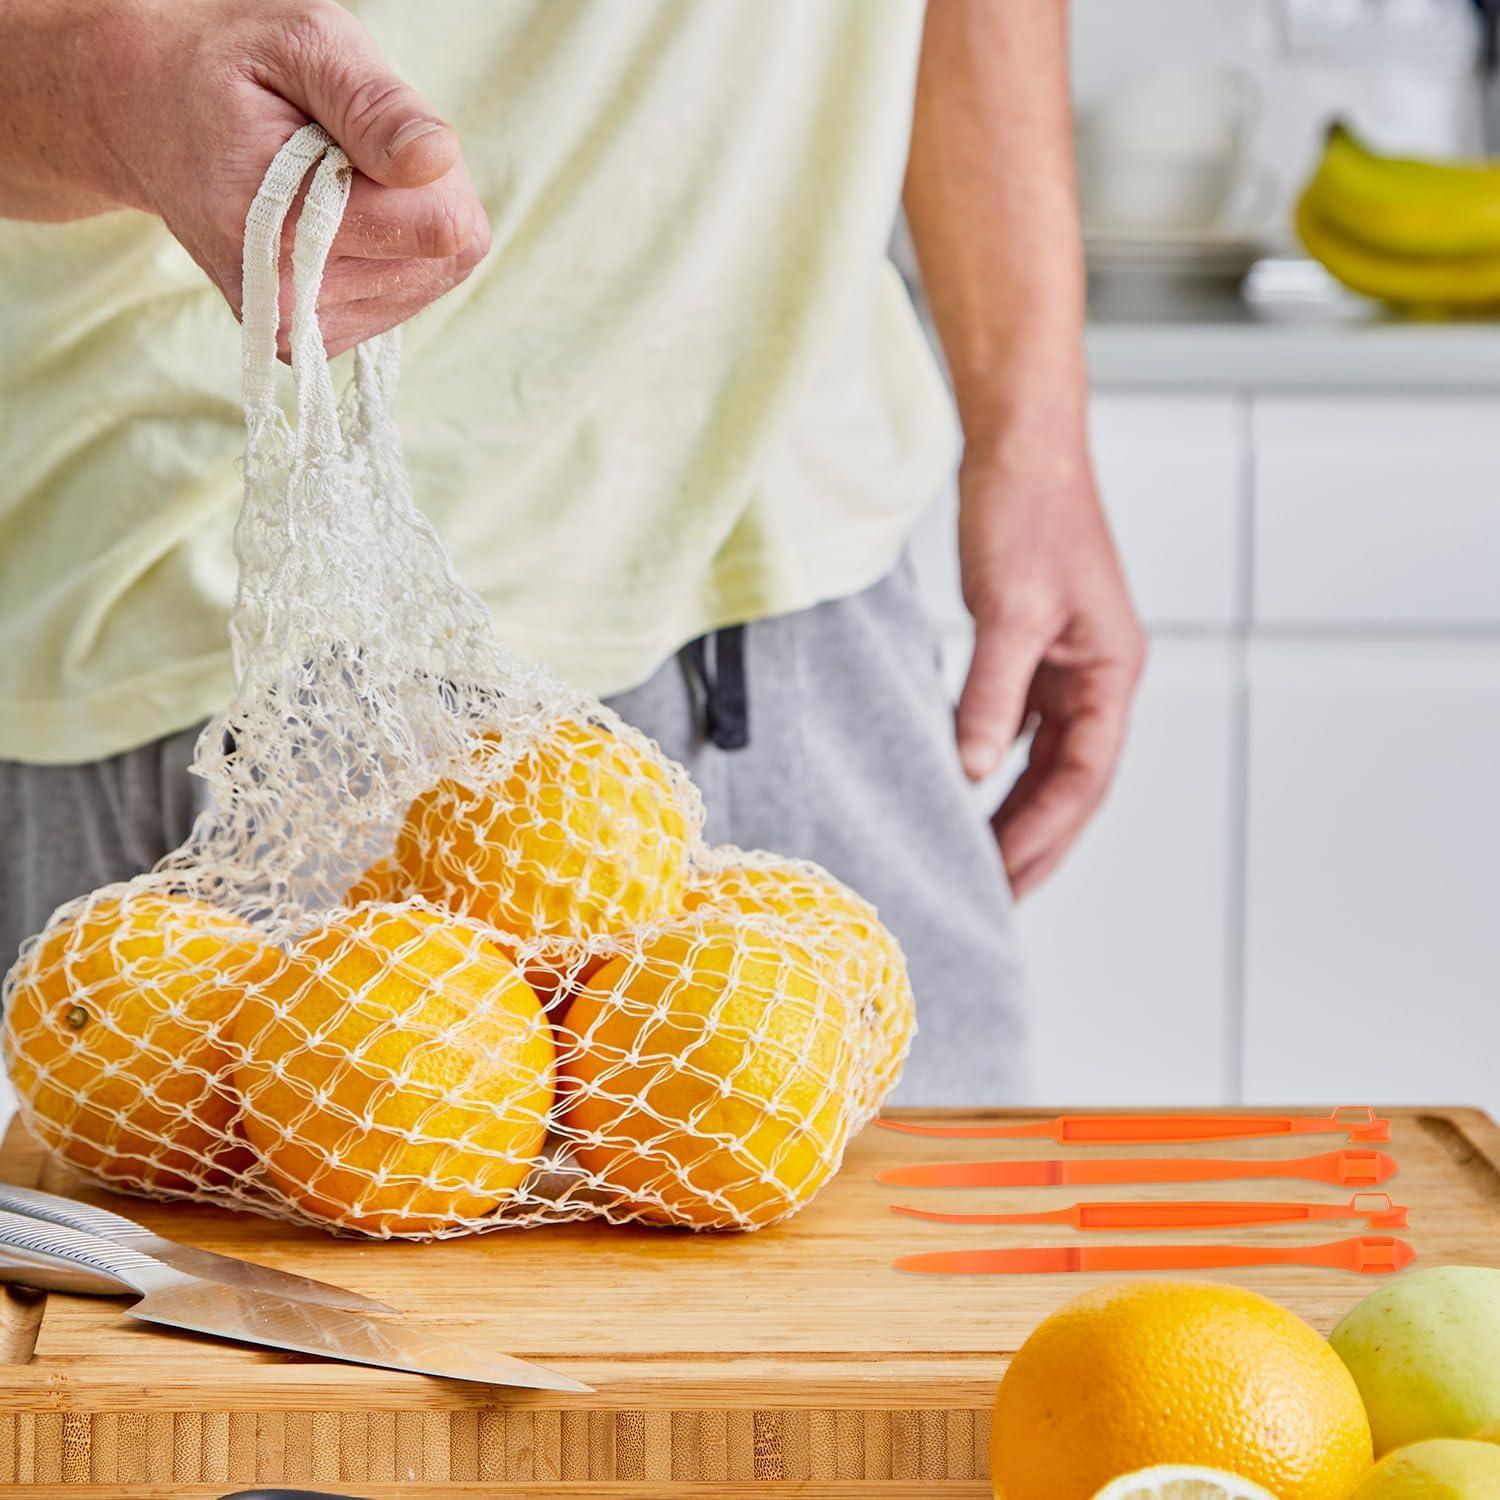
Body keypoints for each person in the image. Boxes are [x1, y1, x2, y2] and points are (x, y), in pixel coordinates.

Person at [0, 0, 1143, 1103]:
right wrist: (100, 85)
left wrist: (1034, 427)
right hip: (216, 620)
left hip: (787, 563)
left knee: (933, 1286)